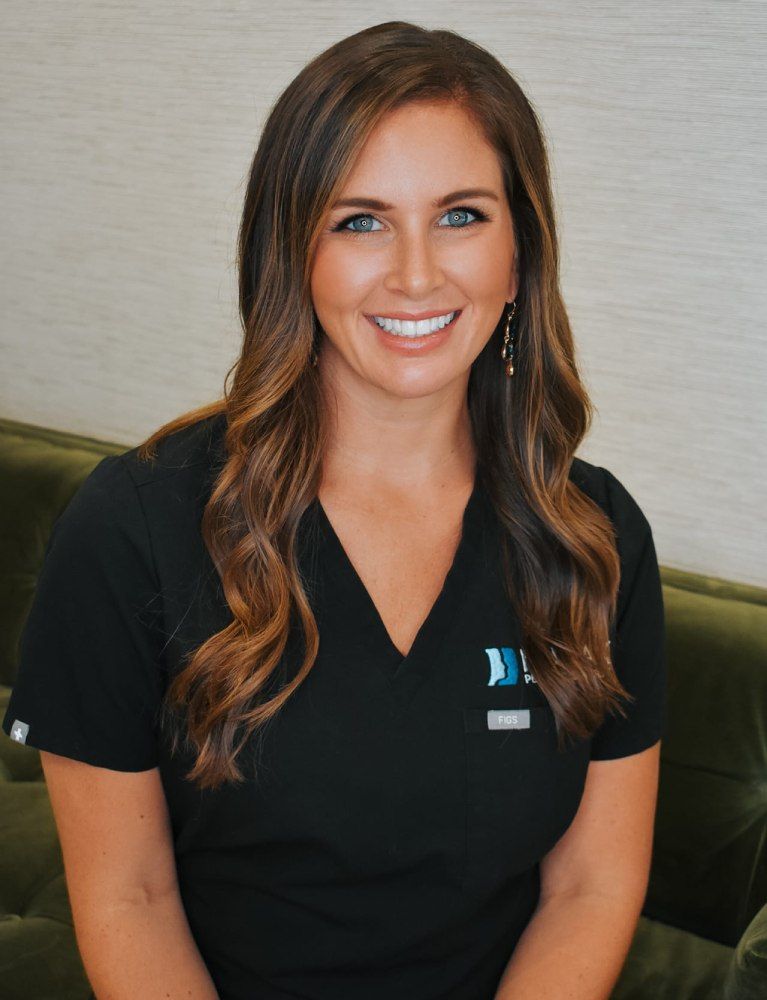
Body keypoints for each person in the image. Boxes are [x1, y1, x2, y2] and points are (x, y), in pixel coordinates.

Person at [2, 20, 667, 1000]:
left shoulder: (596, 537)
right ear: (291, 251)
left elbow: (590, 884)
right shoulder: (132, 527)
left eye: (460, 215)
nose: (413, 272)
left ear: (518, 251)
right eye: (358, 219)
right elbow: (129, 897)